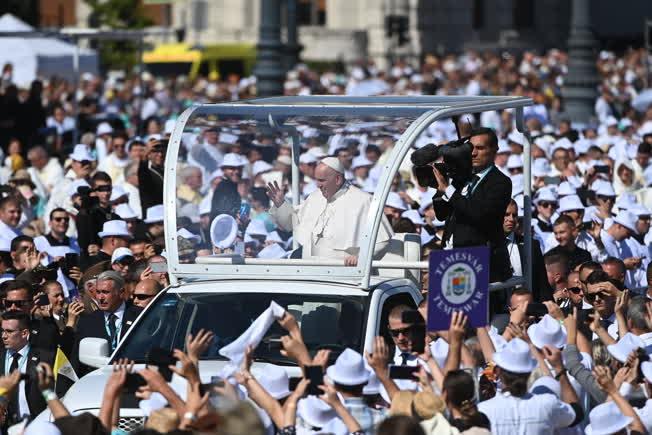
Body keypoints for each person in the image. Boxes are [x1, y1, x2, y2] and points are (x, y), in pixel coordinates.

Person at [267, 156, 393, 266]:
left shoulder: (364, 201)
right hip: (311, 270)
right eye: (316, 180)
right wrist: (281, 204)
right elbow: (291, 224)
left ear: (337, 179)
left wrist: (361, 257)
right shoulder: (315, 197)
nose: (318, 185)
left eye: (322, 180)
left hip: (345, 274)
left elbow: (382, 241)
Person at [431, 127, 512, 282]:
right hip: (448, 259)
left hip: (479, 263)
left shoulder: (500, 182)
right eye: (470, 148)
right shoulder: (461, 178)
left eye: (480, 148)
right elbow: (441, 215)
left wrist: (449, 191)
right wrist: (440, 189)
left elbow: (479, 214)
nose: (473, 153)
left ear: (495, 150)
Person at [478, 338, 578, 434]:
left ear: (498, 371)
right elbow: (576, 414)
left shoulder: (484, 410)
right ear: (529, 372)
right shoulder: (548, 404)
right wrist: (559, 369)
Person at [72, 271, 141, 375]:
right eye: (98, 292)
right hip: (99, 381)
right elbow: (76, 362)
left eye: (105, 292)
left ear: (121, 292)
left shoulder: (141, 316)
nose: (100, 298)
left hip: (134, 377)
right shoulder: (87, 322)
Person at [0, 311, 54, 427]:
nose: (3, 336)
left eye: (9, 331)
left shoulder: (46, 358)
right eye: (2, 331)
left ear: (24, 333)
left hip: (38, 426)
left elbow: (60, 392)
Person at [503, 199, 552, 302]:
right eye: (506, 214)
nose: (511, 219)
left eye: (514, 215)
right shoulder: (486, 245)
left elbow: (542, 284)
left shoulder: (531, 245)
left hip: (528, 309)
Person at [76, 171, 119, 256]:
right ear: (93, 189)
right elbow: (83, 241)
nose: (106, 193)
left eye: (108, 189)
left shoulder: (115, 215)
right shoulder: (87, 214)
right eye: (101, 189)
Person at [138, 136, 165, 213]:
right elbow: (142, 173)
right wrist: (144, 156)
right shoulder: (148, 174)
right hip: (154, 218)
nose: (160, 154)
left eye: (161, 151)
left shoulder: (167, 171)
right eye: (155, 151)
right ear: (148, 155)